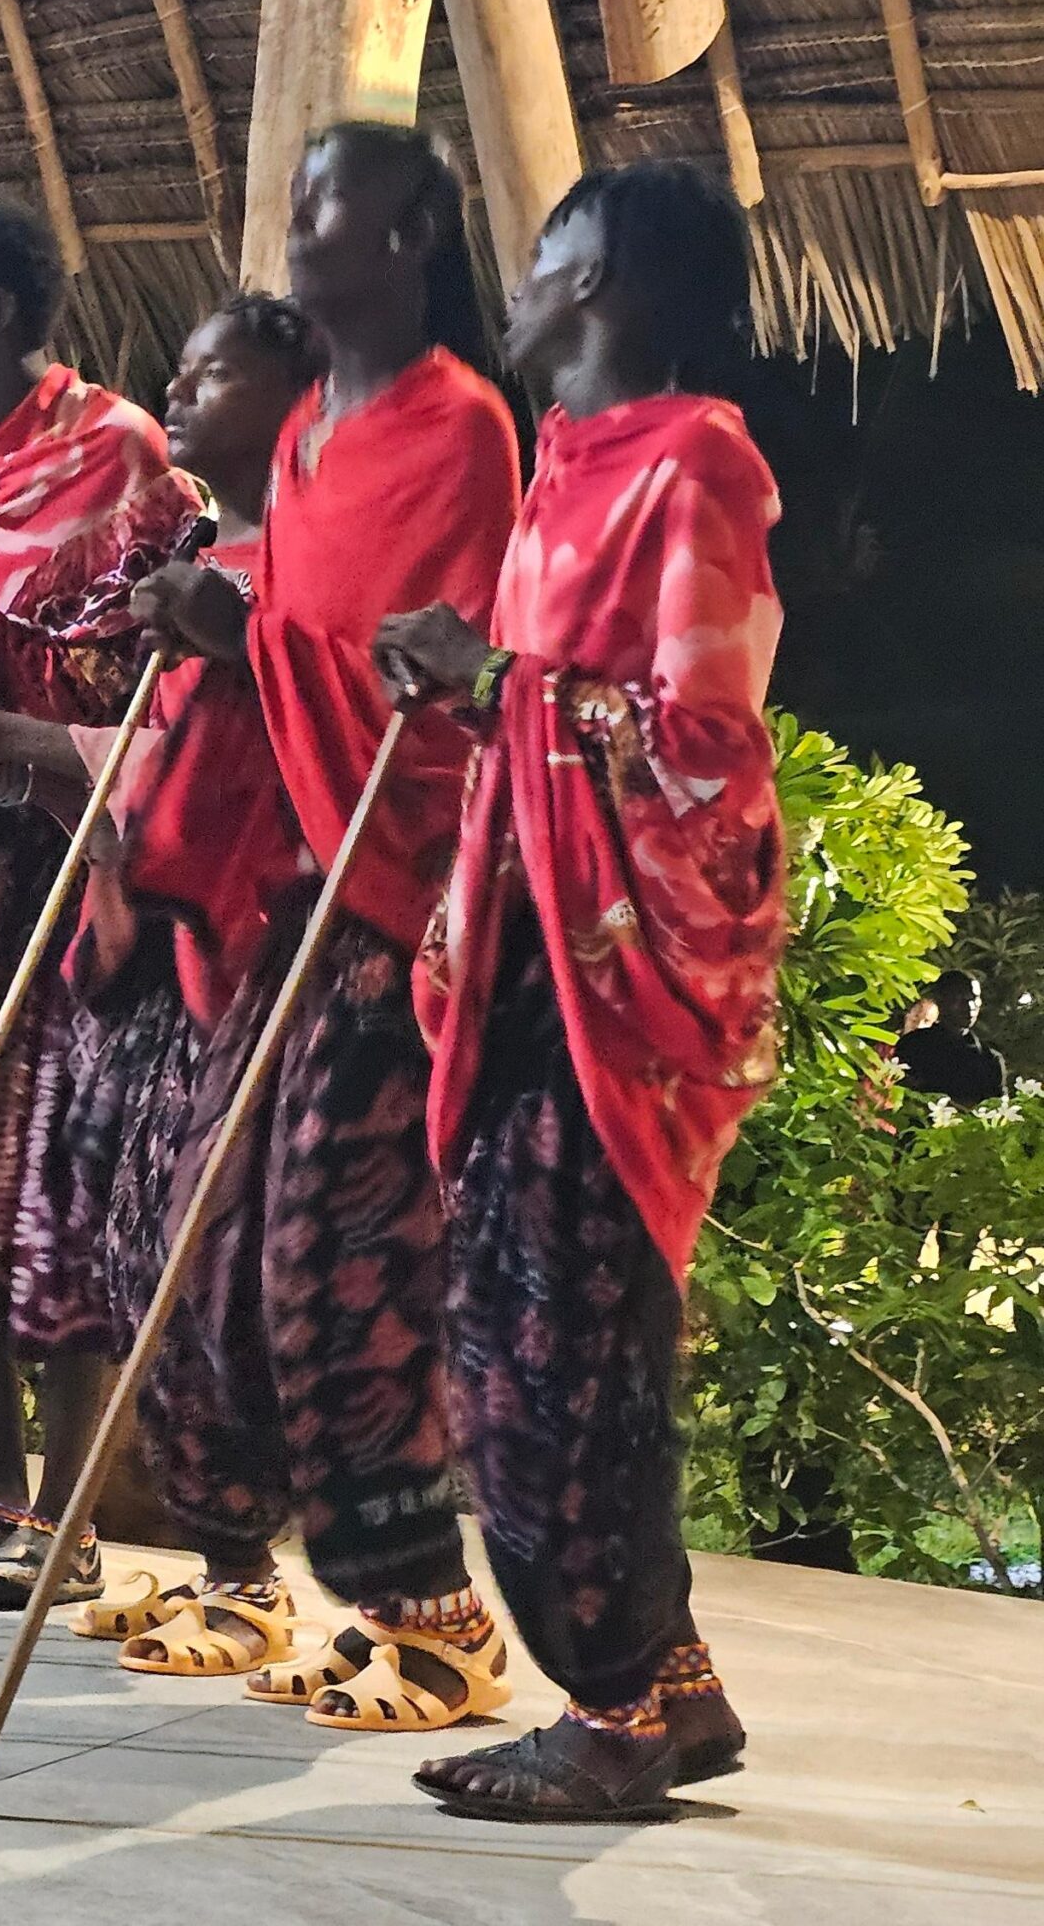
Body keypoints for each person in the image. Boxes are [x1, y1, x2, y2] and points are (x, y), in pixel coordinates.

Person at [99, 124, 522, 1729]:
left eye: (324, 201)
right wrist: (227, 626)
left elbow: (433, 681)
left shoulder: (462, 429)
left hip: (391, 904)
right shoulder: (299, 450)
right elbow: (297, 633)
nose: (295, 225)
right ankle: (253, 1575)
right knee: (206, 1258)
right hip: (292, 898)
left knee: (336, 1264)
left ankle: (432, 1619)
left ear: (412, 227)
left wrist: (248, 626)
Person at [380, 161, 787, 1821]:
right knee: (543, 1334)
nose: (520, 276)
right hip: (537, 960)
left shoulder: (695, 459)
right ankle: (668, 1691)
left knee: (548, 1350)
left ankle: (611, 1714)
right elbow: (560, 718)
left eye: (545, 251)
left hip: (619, 981)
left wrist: (502, 686)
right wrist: (482, 694)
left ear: (602, 272)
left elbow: (700, 745)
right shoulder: (566, 470)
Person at [0, 194, 203, 1610]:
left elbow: (171, 680)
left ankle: (70, 1523)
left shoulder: (121, 450)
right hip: (26, 857)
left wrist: (14, 735)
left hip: (125, 871)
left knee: (65, 1187)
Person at [892, 970, 1006, 1108]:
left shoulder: (989, 1060)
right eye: (961, 999)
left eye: (974, 998)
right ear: (941, 1000)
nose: (970, 1007)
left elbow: (997, 1111)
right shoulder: (913, 1046)